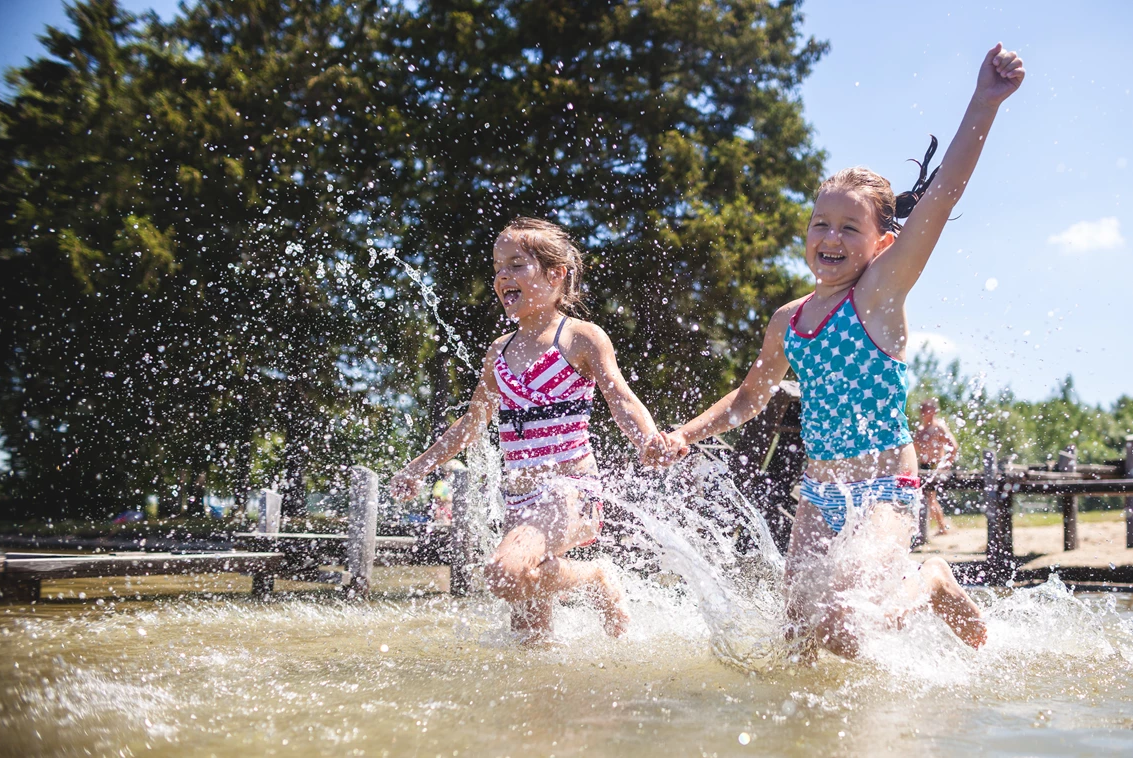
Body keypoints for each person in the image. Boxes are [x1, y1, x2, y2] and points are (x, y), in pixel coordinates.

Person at [646, 43, 1025, 658]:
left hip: (883, 486)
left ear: (882, 243)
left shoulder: (878, 294)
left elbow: (944, 195)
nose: (831, 237)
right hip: (819, 493)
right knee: (798, 639)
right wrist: (686, 433)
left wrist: (984, 102)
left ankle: (928, 580)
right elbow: (750, 396)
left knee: (848, 621)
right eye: (821, 223)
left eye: (850, 227)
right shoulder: (788, 319)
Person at [390, 217, 660, 642]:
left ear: (556, 275)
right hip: (518, 499)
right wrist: (418, 467)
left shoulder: (579, 338)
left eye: (516, 265)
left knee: (503, 573)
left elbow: (621, 399)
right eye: (498, 267)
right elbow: (472, 424)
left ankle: (595, 578)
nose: (502, 276)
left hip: (568, 491)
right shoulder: (499, 350)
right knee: (529, 640)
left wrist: (649, 440)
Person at [913, 398, 958, 535]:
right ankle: (939, 526)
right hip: (923, 466)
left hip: (935, 466)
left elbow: (953, 446)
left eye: (927, 409)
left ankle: (942, 527)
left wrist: (948, 463)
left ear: (934, 411)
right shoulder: (920, 430)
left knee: (930, 498)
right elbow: (914, 448)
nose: (924, 412)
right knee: (924, 498)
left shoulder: (939, 427)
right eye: (922, 409)